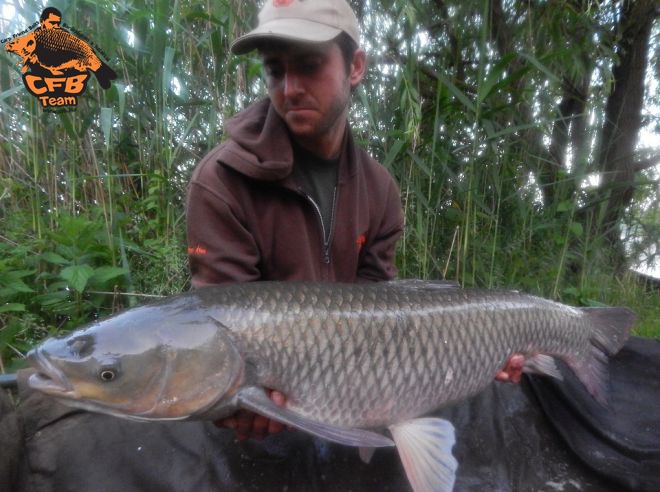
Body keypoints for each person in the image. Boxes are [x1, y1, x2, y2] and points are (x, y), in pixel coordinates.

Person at [185, 0, 522, 442]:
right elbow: (223, 328)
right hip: (273, 400)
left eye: (308, 65)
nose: (289, 88)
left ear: (355, 67)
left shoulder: (379, 187)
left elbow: (380, 309)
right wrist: (235, 400)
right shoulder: (221, 181)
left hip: (353, 389)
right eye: (274, 71)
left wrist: (475, 352)